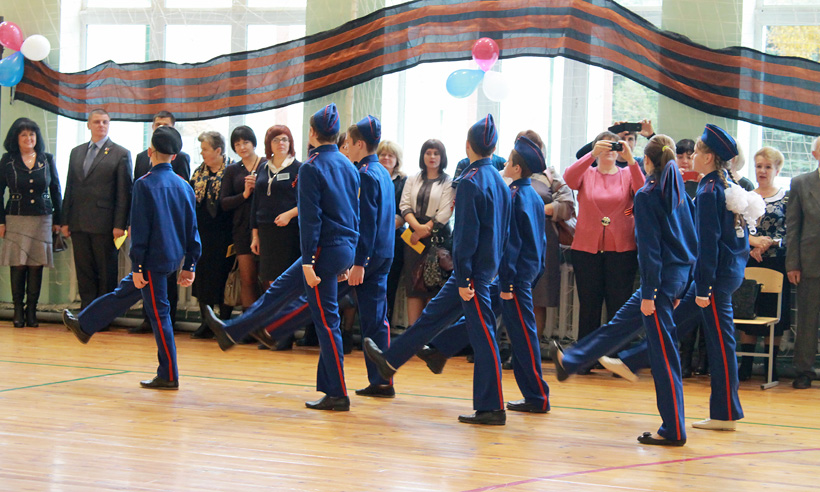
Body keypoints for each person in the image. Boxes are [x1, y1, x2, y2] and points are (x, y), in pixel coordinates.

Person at [205, 103, 361, 411]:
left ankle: (337, 393)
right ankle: (233, 331)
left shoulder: (311, 167)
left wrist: (308, 261)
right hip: (342, 247)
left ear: (312, 133)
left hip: (322, 250)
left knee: (322, 318)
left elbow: (312, 219)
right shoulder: (347, 165)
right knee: (290, 296)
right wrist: (348, 259)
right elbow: (354, 214)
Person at [600, 125, 753, 432]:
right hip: (723, 275)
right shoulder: (722, 185)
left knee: (718, 343)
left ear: (708, 157)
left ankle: (723, 413)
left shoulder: (709, 191)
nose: (691, 156)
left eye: (696, 152)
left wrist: (703, 286)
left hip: (713, 279)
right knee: (685, 326)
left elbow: (708, 244)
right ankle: (633, 360)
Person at [364, 114, 512, 425]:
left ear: (468, 145)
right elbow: (503, 233)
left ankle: (492, 407)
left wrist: (465, 276)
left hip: (472, 274)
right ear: (493, 147)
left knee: (484, 338)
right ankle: (391, 360)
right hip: (484, 270)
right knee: (431, 318)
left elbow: (467, 236)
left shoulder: (470, 182)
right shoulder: (499, 180)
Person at [566, 135, 696, 446]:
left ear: (646, 161)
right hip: (676, 279)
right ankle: (574, 360)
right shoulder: (677, 189)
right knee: (624, 326)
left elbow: (650, 251)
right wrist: (684, 286)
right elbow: (693, 242)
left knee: (663, 358)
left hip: (660, 283)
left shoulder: (649, 194)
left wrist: (649, 293)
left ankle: (674, 429)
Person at [63, 126, 200, 389]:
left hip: (151, 261)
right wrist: (190, 264)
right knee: (124, 293)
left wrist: (137, 266)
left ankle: (169, 374)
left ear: (150, 152)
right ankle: (85, 324)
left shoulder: (145, 183)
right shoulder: (184, 185)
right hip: (172, 259)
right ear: (174, 156)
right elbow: (192, 229)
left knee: (159, 315)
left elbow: (140, 230)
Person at [563, 131, 645, 350]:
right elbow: (569, 178)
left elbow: (642, 191)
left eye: (614, 146)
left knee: (619, 306)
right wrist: (591, 155)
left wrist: (631, 160)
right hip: (586, 250)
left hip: (621, 251)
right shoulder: (587, 174)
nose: (609, 150)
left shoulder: (627, 174)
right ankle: (585, 355)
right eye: (605, 145)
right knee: (589, 306)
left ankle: (617, 354)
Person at [345, 116, 396, 397]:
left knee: (371, 320)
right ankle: (381, 379)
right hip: (384, 252)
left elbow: (367, 222)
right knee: (377, 320)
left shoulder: (364, 174)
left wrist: (359, 261)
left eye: (349, 143)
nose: (347, 148)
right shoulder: (382, 172)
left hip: (369, 257)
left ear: (360, 144)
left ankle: (381, 379)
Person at [61, 109, 133, 309]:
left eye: (105, 122)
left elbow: (124, 193)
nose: (101, 125)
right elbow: (70, 187)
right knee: (84, 271)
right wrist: (65, 220)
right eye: (97, 122)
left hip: (105, 224)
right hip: (78, 222)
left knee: (105, 272)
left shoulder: (120, 153)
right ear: (88, 125)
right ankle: (86, 314)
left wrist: (120, 224)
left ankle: (103, 314)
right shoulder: (76, 152)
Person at [130, 110, 191, 334]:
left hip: (163, 239)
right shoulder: (142, 161)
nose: (161, 128)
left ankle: (166, 329)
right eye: (158, 124)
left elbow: (182, 204)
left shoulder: (179, 162)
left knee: (161, 304)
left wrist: (137, 265)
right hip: (156, 237)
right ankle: (86, 323)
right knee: (128, 290)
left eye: (165, 125)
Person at [0, 118, 62, 327]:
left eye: (32, 134)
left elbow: (56, 190)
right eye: (24, 135)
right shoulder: (7, 160)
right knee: (18, 264)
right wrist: (0, 221)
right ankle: (18, 310)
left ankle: (32, 311)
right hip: (15, 218)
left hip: (42, 218)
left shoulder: (47, 159)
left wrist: (59, 219)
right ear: (16, 138)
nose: (29, 138)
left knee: (36, 265)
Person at [737, 147, 789, 382]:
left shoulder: (786, 197)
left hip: (776, 262)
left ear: (777, 170)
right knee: (748, 309)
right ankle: (746, 365)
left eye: (768, 167)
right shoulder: (746, 197)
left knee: (773, 312)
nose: (763, 171)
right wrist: (753, 244)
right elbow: (738, 229)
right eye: (759, 166)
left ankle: (771, 366)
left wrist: (769, 243)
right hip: (749, 260)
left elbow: (790, 230)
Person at [399, 139, 455, 325]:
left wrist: (424, 230)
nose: (432, 157)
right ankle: (412, 335)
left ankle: (430, 337)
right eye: (428, 153)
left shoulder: (448, 182)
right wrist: (417, 228)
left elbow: (445, 212)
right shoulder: (412, 179)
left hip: (438, 238)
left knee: (434, 286)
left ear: (442, 157)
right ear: (422, 156)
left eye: (436, 153)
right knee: (413, 288)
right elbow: (404, 205)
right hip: (413, 239)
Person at [189, 131, 235, 339]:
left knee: (224, 277)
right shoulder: (198, 173)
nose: (202, 153)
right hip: (203, 234)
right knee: (203, 279)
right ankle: (206, 322)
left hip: (226, 234)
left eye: (205, 149)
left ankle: (224, 321)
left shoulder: (232, 170)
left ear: (218, 150)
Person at [786, 136, 820, 389]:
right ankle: (804, 371)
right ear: (815, 154)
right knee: (807, 320)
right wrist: (792, 263)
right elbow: (793, 227)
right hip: (810, 262)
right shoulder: (800, 183)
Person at [251, 125, 300, 290]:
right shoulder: (263, 167)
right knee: (270, 281)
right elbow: (256, 203)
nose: (281, 143)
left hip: (289, 232)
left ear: (290, 143)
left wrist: (289, 214)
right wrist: (255, 236)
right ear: (269, 144)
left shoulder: (299, 168)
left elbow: (308, 202)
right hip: (266, 232)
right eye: (276, 140)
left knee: (288, 282)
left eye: (285, 139)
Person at [221, 125, 264, 311]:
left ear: (253, 143)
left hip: (265, 228)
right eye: (237, 144)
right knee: (247, 279)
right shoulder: (232, 170)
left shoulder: (266, 164)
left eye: (245, 142)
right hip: (241, 229)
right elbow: (224, 202)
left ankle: (270, 322)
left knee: (268, 279)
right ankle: (249, 322)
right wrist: (245, 194)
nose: (242, 147)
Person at [377, 140, 407, 325]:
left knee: (390, 285)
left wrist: (381, 226)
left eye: (390, 155)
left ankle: (384, 324)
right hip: (372, 240)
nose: (386, 158)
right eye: (382, 154)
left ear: (397, 160)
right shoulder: (370, 175)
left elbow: (402, 213)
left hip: (395, 239)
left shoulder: (403, 181)